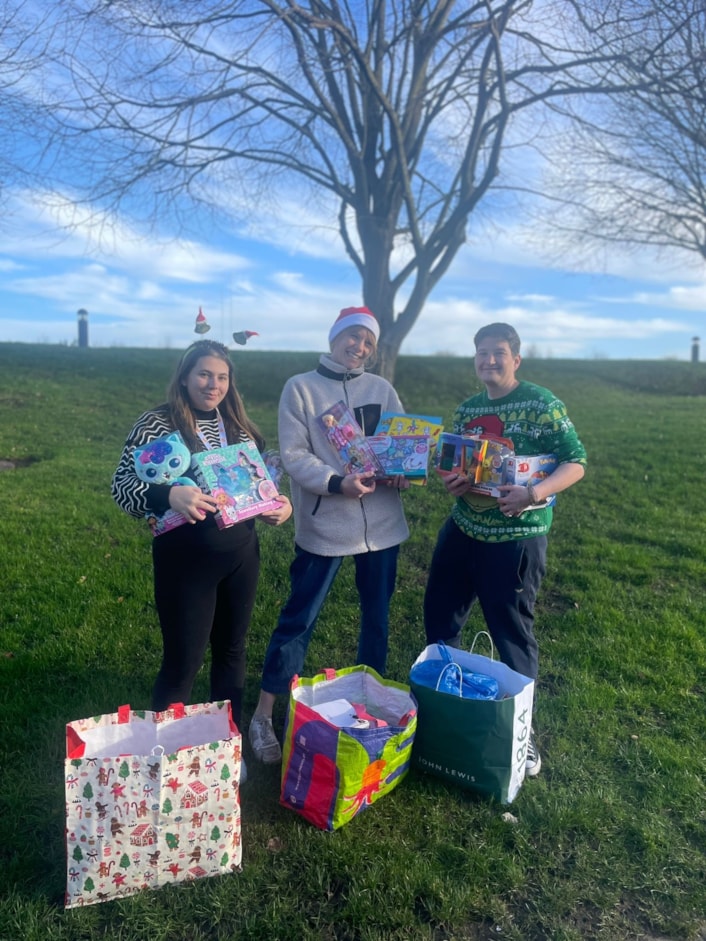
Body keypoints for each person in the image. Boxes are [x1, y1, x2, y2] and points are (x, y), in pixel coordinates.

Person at [111, 339, 292, 780]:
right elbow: (121, 487)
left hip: (241, 555)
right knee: (183, 661)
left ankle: (226, 751)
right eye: (204, 375)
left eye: (222, 377)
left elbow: (259, 485)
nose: (213, 385)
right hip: (185, 561)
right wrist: (168, 493)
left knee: (232, 652)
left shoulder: (240, 426)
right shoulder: (157, 424)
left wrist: (277, 506)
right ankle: (161, 759)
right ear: (186, 376)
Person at [423, 323, 587, 777]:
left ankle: (521, 732)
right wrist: (452, 482)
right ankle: (445, 709)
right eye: (481, 353)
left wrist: (533, 494)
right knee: (440, 622)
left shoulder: (540, 403)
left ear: (516, 359)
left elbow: (576, 462)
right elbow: (451, 470)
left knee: (511, 634)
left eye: (498, 353)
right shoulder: (467, 410)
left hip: (515, 540)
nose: (489, 361)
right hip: (462, 531)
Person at [248, 306, 410, 764]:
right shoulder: (300, 388)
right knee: (299, 617)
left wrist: (402, 473)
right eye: (352, 337)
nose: (358, 348)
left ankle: (370, 708)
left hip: (383, 528)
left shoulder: (382, 389)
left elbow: (400, 447)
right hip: (325, 524)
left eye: (368, 343)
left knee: (376, 618)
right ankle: (264, 713)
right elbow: (295, 456)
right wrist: (337, 483)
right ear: (335, 336)